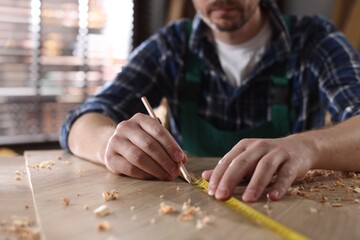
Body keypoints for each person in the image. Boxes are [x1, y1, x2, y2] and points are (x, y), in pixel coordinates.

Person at [60, 0, 360, 203]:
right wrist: (109, 144)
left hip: (286, 206)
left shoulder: (314, 39)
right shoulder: (172, 45)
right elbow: (82, 120)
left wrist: (308, 146)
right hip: (188, 210)